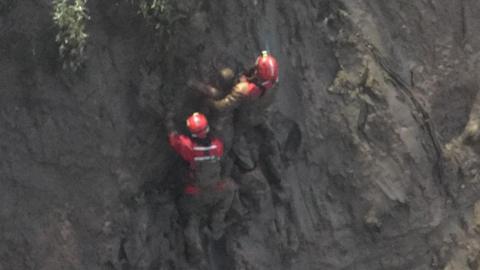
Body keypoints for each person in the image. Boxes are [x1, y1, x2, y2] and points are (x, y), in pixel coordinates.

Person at [166, 112, 236, 263]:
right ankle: (216, 224)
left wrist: (169, 122)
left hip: (194, 193)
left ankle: (196, 255)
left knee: (191, 218)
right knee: (231, 188)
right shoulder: (217, 145)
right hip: (216, 189)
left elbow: (174, 140)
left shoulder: (190, 148)